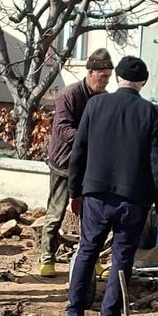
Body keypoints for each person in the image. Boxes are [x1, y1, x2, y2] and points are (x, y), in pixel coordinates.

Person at [65, 56, 158, 316]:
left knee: (87, 250)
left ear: (116, 78)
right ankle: (109, 315)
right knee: (122, 257)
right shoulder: (151, 113)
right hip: (133, 199)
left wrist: (74, 192)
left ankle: (73, 312)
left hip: (96, 194)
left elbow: (79, 152)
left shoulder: (95, 104)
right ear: (143, 82)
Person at [39, 48, 114, 277]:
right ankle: (46, 258)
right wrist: (91, 139)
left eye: (108, 78)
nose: (105, 83)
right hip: (64, 163)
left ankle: (91, 258)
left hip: (90, 165)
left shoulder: (103, 98)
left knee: (90, 215)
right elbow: (63, 129)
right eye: (102, 78)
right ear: (90, 72)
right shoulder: (69, 95)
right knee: (56, 211)